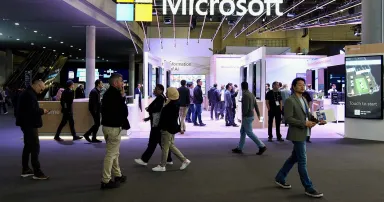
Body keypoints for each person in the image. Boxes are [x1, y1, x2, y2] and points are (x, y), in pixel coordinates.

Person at [275, 77, 326, 198]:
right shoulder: (290, 101)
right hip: (297, 134)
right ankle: (308, 187)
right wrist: (303, 123)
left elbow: (307, 115)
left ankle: (280, 177)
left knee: (294, 157)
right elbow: (288, 118)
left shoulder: (303, 99)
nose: (302, 87)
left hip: (304, 132)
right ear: (293, 87)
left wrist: (318, 120)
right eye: (299, 85)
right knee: (302, 161)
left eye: (303, 85)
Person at [100, 73, 130, 189]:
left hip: (107, 127)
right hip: (113, 128)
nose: (123, 83)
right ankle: (106, 180)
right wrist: (123, 97)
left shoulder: (107, 94)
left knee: (114, 153)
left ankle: (118, 175)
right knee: (111, 154)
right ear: (115, 83)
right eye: (121, 81)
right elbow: (124, 112)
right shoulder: (116, 95)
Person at [16, 80, 49, 180]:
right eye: (41, 88)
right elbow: (33, 110)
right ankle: (37, 172)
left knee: (28, 146)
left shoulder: (27, 93)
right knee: (35, 147)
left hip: (26, 123)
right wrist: (43, 111)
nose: (41, 91)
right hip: (29, 124)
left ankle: (26, 169)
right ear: (37, 85)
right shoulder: (29, 95)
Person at [152, 87, 191, 172]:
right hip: (172, 128)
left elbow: (166, 118)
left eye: (167, 92)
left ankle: (163, 165)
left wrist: (161, 127)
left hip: (167, 128)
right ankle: (184, 160)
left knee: (165, 147)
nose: (166, 93)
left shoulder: (170, 105)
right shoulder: (175, 103)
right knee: (170, 145)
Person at [135, 84, 173, 166]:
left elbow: (157, 111)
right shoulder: (161, 98)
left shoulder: (161, 99)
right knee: (161, 142)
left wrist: (149, 110)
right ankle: (169, 159)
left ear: (160, 90)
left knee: (152, 142)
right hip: (157, 124)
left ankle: (144, 159)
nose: (154, 90)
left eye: (156, 89)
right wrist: (148, 117)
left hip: (156, 124)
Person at [232, 82, 267, 155]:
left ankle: (261, 146)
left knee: (249, 133)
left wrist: (243, 116)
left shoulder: (245, 95)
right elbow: (256, 105)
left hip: (246, 116)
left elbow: (246, 108)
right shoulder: (251, 94)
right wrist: (258, 115)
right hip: (251, 115)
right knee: (242, 132)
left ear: (242, 87)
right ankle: (239, 148)